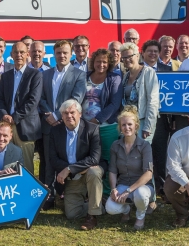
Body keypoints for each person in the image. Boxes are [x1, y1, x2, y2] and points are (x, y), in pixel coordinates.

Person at [40, 40, 86, 195]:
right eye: (58, 52)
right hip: (48, 124)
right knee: (48, 161)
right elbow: (40, 98)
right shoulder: (45, 74)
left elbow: (76, 98)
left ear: (71, 53)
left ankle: (65, 193)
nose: (62, 55)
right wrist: (49, 115)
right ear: (54, 54)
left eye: (65, 52)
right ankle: (49, 194)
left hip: (67, 124)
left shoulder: (79, 74)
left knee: (66, 159)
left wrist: (57, 115)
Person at [49, 99, 103, 230]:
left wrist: (69, 168)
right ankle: (101, 204)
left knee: (94, 171)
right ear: (61, 116)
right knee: (71, 214)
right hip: (73, 178)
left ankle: (92, 215)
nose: (69, 116)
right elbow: (53, 158)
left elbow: (94, 159)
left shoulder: (92, 129)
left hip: (89, 174)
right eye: (65, 113)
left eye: (72, 112)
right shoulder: (55, 131)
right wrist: (70, 171)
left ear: (80, 113)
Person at [0, 41, 43, 173]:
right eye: (16, 52)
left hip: (25, 127)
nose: (19, 55)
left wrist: (14, 118)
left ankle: (27, 192)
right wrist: (4, 115)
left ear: (27, 54)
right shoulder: (6, 76)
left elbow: (33, 101)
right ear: (11, 55)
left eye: (22, 52)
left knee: (26, 166)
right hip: (6, 125)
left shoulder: (35, 75)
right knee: (7, 165)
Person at [104, 107, 154, 230]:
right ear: (120, 128)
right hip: (123, 184)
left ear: (136, 126)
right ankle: (126, 209)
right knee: (110, 208)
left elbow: (148, 174)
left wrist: (128, 191)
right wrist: (113, 189)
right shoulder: (115, 146)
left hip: (143, 187)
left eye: (130, 124)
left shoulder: (145, 145)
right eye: (124, 125)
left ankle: (140, 216)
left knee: (140, 194)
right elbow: (113, 171)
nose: (127, 128)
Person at [120, 42, 159, 143]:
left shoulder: (148, 72)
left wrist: (148, 126)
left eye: (130, 56)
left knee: (141, 155)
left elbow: (153, 101)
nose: (127, 59)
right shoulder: (126, 76)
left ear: (137, 56)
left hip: (143, 122)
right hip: (128, 123)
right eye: (124, 57)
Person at [83, 49, 123, 126]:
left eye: (104, 62)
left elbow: (115, 104)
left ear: (109, 64)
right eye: (98, 61)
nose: (101, 64)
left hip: (106, 124)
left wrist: (98, 119)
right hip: (84, 125)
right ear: (93, 62)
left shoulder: (115, 78)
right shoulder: (84, 76)